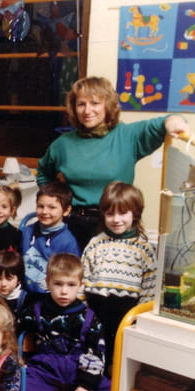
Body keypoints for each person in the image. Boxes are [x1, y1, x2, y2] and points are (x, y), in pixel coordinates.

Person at [37, 76, 190, 249]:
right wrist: (57, 203)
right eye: (81, 104)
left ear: (107, 105)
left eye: (95, 103)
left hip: (116, 222)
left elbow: (169, 120)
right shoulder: (62, 144)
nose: (87, 110)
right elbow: (43, 173)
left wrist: (174, 123)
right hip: (73, 225)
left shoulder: (128, 135)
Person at [21, 253, 109, 391]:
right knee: (16, 388)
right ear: (47, 283)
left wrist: (87, 384)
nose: (64, 291)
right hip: (45, 370)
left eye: (71, 285)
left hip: (80, 373)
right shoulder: (35, 311)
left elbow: (97, 350)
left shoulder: (89, 317)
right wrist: (19, 359)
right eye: (58, 284)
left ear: (80, 285)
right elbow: (14, 332)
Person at [81, 182, 156, 368]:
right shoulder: (95, 244)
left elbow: (149, 290)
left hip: (126, 315)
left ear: (135, 214)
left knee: (118, 363)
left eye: (122, 213)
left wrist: (139, 319)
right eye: (110, 214)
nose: (116, 219)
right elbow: (82, 279)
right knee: (93, 359)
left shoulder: (144, 249)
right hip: (95, 312)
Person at [21, 181, 79, 294]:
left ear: (66, 211)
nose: (44, 211)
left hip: (53, 296)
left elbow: (72, 276)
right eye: (40, 206)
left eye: (52, 207)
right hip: (26, 294)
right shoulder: (28, 231)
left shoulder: (68, 241)